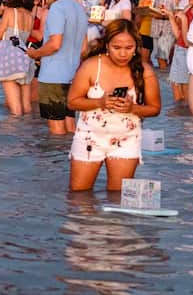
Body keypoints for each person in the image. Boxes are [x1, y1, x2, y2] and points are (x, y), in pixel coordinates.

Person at [66, 19, 161, 192]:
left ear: (136, 46)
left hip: (127, 140)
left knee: (118, 198)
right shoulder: (92, 66)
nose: (123, 54)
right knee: (79, 196)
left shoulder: (144, 70)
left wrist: (133, 108)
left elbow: (155, 108)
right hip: (89, 138)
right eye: (117, 48)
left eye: (129, 48)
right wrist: (99, 102)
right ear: (107, 45)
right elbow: (72, 102)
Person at [26, 0, 88, 135]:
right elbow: (84, 47)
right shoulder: (80, 8)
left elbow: (55, 44)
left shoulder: (57, 8)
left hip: (53, 76)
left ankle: (57, 161)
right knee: (70, 125)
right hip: (73, 74)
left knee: (56, 131)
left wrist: (35, 53)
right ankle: (72, 159)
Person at [0, 0, 36, 116]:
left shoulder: (10, 12)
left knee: (15, 109)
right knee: (26, 106)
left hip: (10, 60)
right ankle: (27, 132)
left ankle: (14, 132)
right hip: (26, 57)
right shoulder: (30, 16)